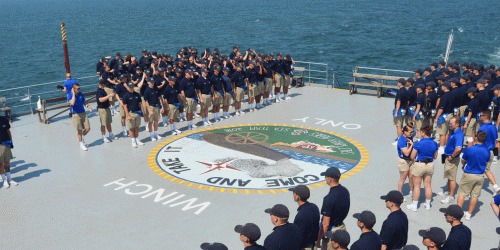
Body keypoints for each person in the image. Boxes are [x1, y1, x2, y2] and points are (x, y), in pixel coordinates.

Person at [457, 130, 490, 220]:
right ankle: (469, 215)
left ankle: (458, 213)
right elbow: (486, 163)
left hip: (469, 174)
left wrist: (464, 165)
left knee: (462, 193)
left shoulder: (469, 149)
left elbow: (463, 160)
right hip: (480, 176)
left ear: (476, 138)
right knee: (475, 196)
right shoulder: (487, 151)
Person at [317, 167, 350, 250]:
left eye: (325, 177)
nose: (325, 179)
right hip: (342, 228)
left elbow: (325, 224)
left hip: (332, 234)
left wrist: (318, 240)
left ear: (330, 179)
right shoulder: (345, 191)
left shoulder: (329, 198)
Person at [407, 125, 438, 212]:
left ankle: (414, 205)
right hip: (430, 165)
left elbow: (412, 156)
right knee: (428, 186)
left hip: (420, 165)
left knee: (417, 186)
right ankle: (428, 204)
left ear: (423, 132)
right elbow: (435, 156)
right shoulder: (435, 143)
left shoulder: (419, 143)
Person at [440, 116, 464, 204]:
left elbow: (458, 148)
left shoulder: (458, 135)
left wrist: (452, 156)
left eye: (451, 124)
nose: (449, 125)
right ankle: (448, 190)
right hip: (448, 157)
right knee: (449, 175)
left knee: (452, 177)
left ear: (457, 124)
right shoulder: (454, 132)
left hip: (452, 159)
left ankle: (451, 196)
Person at [289, 185, 320, 250]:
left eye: (294, 193)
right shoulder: (314, 207)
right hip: (313, 246)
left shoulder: (301, 215)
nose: (293, 195)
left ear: (298, 197)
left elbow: (298, 237)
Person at [477, 109, 500, 196]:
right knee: (486, 169)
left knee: (484, 170)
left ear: (485, 117)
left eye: (481, 115)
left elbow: (478, 141)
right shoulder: (494, 127)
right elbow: (496, 141)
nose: (480, 117)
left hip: (483, 152)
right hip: (491, 152)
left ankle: (496, 187)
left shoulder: (482, 128)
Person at [67, 83, 92, 151]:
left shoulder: (80, 94)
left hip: (83, 113)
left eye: (79, 88)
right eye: (77, 89)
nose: (79, 90)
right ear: (73, 89)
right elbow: (72, 103)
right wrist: (73, 94)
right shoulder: (70, 96)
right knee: (80, 130)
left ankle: (81, 136)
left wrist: (88, 106)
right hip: (76, 114)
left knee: (88, 128)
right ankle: (81, 145)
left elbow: (83, 101)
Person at [122, 80, 145, 148]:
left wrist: (143, 112)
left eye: (132, 86)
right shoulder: (126, 96)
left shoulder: (137, 94)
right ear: (128, 87)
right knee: (131, 128)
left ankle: (137, 140)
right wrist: (128, 115)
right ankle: (133, 141)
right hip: (131, 113)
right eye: (130, 87)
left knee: (137, 127)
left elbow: (140, 104)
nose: (131, 88)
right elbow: (125, 106)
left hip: (137, 113)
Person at [396, 125, 414, 200]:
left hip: (411, 160)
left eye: (412, 132)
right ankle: (400, 194)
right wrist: (411, 145)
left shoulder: (410, 138)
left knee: (411, 177)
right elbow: (406, 153)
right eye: (410, 132)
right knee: (403, 178)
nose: (412, 134)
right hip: (403, 161)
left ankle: (411, 192)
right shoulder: (401, 140)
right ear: (405, 132)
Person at [434, 82, 453, 151]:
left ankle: (442, 147)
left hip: (444, 115)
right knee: (447, 132)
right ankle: (445, 145)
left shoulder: (444, 96)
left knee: (442, 133)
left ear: (445, 87)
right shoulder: (451, 94)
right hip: (450, 114)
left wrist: (436, 118)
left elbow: (441, 109)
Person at [143, 77, 163, 141]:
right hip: (151, 107)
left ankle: (156, 134)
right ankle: (151, 135)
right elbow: (146, 101)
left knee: (156, 121)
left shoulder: (156, 88)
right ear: (148, 82)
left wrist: (162, 106)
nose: (152, 83)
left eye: (153, 82)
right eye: (151, 82)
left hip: (157, 106)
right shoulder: (147, 90)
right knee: (151, 122)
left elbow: (159, 97)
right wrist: (150, 110)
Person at [0, 115, 16, 188]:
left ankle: (10, 179)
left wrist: (11, 142)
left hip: (6, 144)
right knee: (0, 164)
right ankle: (4, 180)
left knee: (7, 162)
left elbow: (8, 131)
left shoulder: (4, 120)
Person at [393, 78, 409, 146]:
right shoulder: (406, 91)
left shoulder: (400, 92)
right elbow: (408, 102)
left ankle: (399, 141)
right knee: (401, 125)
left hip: (399, 110)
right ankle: (402, 139)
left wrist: (396, 112)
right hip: (403, 109)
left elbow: (398, 102)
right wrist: (405, 108)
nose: (397, 83)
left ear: (400, 83)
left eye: (398, 82)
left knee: (398, 126)